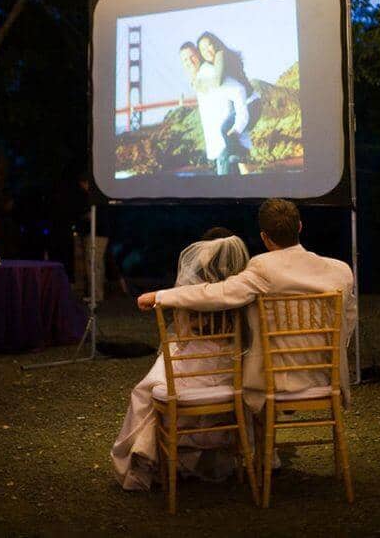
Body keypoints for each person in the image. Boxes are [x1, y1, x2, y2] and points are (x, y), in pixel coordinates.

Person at [138, 199, 357, 413]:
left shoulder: (263, 268)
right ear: (300, 227)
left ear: (264, 236)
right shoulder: (341, 271)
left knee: (231, 359)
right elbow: (348, 322)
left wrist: (160, 296)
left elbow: (217, 294)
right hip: (327, 375)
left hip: (276, 379)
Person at [111, 234, 250, 491]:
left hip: (191, 379)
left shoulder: (186, 299)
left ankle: (150, 458)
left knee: (149, 390)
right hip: (232, 376)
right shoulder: (242, 297)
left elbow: (184, 338)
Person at [179, 42, 250, 176]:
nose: (189, 62)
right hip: (220, 149)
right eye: (185, 60)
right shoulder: (199, 77)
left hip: (227, 148)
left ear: (198, 55)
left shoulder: (209, 72)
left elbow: (239, 90)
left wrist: (239, 125)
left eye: (192, 56)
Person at [196, 32, 262, 175]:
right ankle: (244, 167)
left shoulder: (221, 55)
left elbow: (218, 81)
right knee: (234, 136)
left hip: (251, 103)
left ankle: (243, 166)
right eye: (202, 49)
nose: (207, 51)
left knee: (226, 128)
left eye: (209, 45)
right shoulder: (216, 61)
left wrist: (200, 84)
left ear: (216, 44)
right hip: (249, 103)